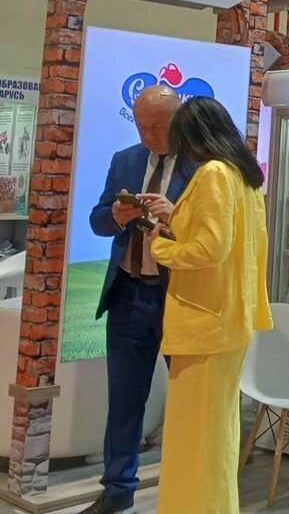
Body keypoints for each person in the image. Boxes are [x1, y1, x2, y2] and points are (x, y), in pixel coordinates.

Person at [146, 97, 272, 514]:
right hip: (228, 321)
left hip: (205, 324)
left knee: (195, 439)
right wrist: (175, 223)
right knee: (214, 436)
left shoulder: (215, 173)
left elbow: (209, 249)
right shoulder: (244, 177)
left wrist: (161, 247)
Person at [84, 85, 193, 514]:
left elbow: (214, 235)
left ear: (179, 121)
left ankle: (186, 489)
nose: (149, 136)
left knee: (188, 400)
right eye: (142, 126)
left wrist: (173, 215)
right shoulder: (125, 160)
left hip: (180, 298)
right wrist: (115, 215)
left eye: (158, 127)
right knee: (125, 401)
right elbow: (96, 221)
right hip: (128, 294)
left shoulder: (204, 167)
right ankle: (117, 490)